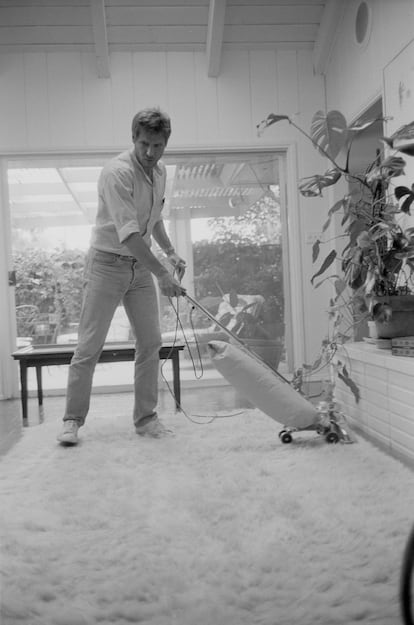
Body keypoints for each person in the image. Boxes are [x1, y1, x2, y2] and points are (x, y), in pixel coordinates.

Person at [57, 107, 186, 446]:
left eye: (157, 145)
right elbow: (129, 234)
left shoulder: (160, 173)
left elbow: (153, 221)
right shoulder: (116, 173)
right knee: (89, 346)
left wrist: (170, 252)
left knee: (150, 342)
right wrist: (163, 274)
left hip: (139, 268)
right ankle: (72, 421)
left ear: (165, 144)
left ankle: (145, 419)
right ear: (133, 138)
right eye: (144, 144)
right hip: (107, 265)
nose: (150, 152)